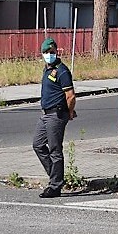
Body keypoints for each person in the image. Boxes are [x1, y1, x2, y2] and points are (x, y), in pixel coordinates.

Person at [33, 37, 76, 198]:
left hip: (56, 115)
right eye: (45, 52)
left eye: (51, 52)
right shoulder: (47, 69)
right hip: (45, 114)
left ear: (56, 52)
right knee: (37, 144)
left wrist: (70, 112)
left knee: (55, 150)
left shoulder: (62, 71)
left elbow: (70, 96)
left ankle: (55, 185)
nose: (48, 55)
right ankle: (56, 176)